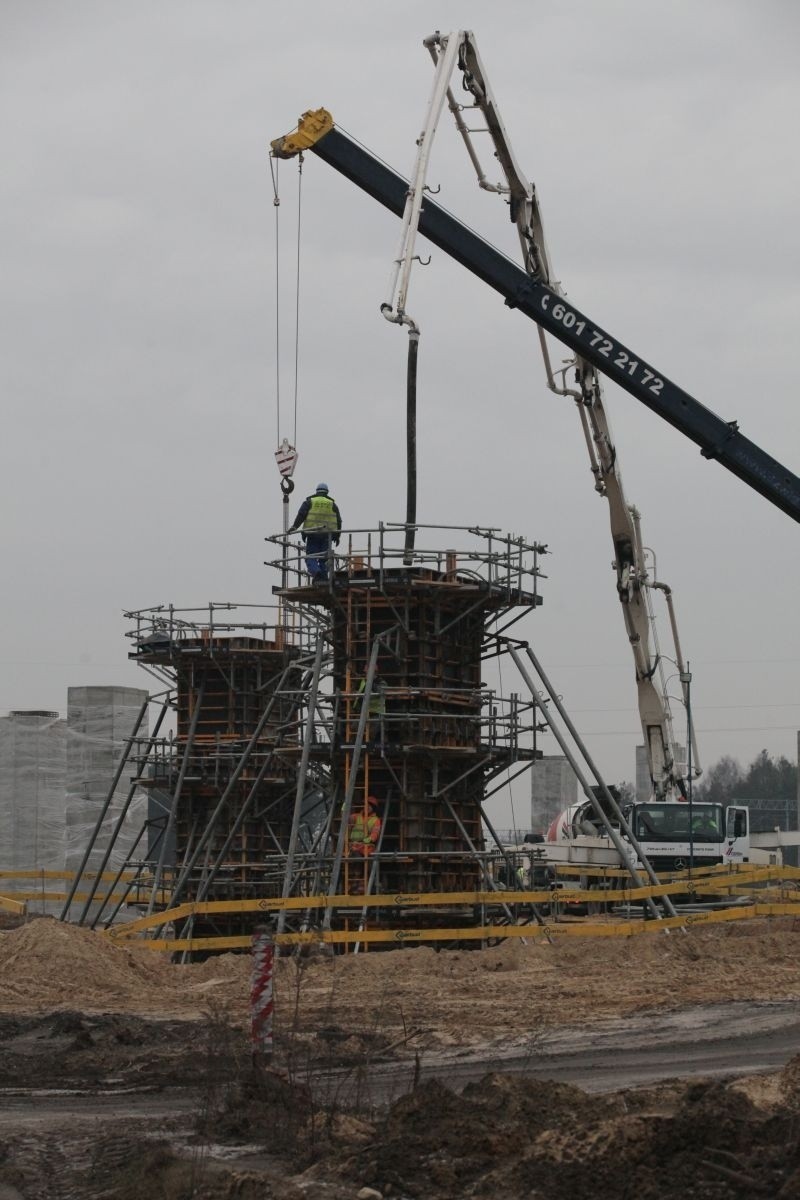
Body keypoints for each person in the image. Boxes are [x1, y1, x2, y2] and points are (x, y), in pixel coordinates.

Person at [287, 483, 342, 581]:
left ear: (316, 491)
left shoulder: (309, 502)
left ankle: (316, 573)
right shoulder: (332, 504)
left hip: (312, 534)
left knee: (310, 556)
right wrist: (337, 536)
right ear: (327, 492)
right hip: (326, 535)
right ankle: (324, 578)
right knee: (324, 558)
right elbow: (338, 521)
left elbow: (301, 515)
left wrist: (295, 527)